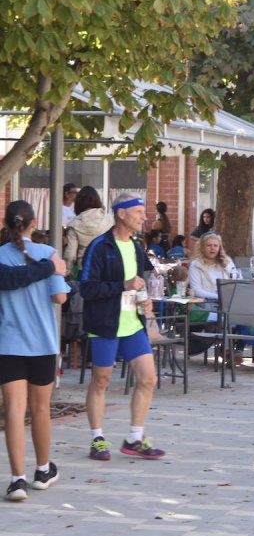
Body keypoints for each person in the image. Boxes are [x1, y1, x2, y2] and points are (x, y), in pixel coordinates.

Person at [80, 192, 165, 461]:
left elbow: (139, 283)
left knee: (148, 379)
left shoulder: (137, 247)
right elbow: (87, 288)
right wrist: (122, 286)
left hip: (132, 324)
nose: (144, 217)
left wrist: (145, 301)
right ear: (121, 214)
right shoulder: (100, 246)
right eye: (138, 212)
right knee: (101, 380)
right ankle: (97, 439)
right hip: (105, 323)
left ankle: (134, 439)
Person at [0, 201, 70, 501]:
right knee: (41, 409)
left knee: (14, 410)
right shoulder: (49, 254)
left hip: (8, 342)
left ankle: (17, 480)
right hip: (43, 342)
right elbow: (60, 298)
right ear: (34, 222)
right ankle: (43, 470)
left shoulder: (0, 256)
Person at [64, 186, 113, 274]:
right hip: (108, 266)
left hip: (85, 268)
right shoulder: (109, 219)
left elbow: (70, 254)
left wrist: (67, 270)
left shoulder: (74, 224)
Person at [188, 232, 237, 301]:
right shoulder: (196, 265)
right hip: (207, 303)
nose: (212, 248)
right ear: (202, 248)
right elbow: (196, 290)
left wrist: (227, 266)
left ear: (220, 248)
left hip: (229, 301)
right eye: (209, 245)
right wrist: (218, 297)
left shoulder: (227, 261)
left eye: (215, 246)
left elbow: (239, 282)